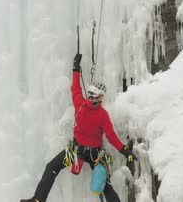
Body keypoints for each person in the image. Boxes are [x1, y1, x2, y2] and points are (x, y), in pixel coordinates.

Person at [21, 54, 136, 202]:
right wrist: (126, 152)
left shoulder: (79, 103)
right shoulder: (103, 114)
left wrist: (76, 67)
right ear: (100, 97)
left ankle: (38, 200)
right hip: (95, 155)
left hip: (76, 151)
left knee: (51, 168)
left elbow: (75, 88)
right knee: (105, 185)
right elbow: (111, 137)